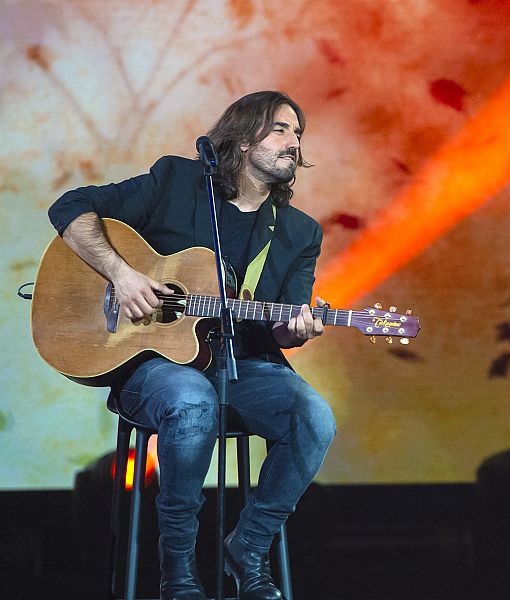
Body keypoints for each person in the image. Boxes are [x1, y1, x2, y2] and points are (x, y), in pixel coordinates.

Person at [49, 91, 336, 600]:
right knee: (191, 398)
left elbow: (284, 325)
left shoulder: (298, 232)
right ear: (244, 138)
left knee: (313, 416)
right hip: (152, 363)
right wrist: (122, 275)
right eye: (280, 129)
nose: (293, 142)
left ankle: (248, 546)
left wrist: (296, 328)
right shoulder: (179, 182)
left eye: (298, 133)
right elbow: (71, 207)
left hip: (244, 363)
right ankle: (178, 567)